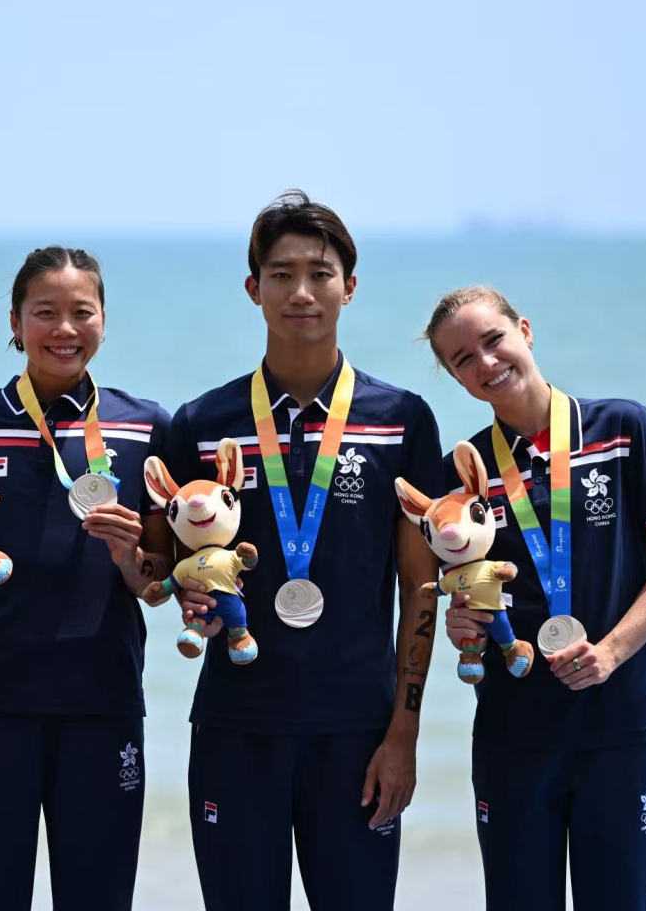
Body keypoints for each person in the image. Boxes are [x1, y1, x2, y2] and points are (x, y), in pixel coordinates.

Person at [162, 192, 443, 909]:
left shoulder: (401, 421)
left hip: (357, 734)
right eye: (281, 274)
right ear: (253, 290)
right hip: (236, 728)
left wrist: (403, 733)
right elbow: (168, 568)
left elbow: (421, 586)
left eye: (320, 273)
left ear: (350, 287)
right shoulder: (202, 422)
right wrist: (160, 577)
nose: (301, 292)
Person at [0, 246, 173, 910]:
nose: (64, 328)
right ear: (16, 322)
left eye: (81, 312)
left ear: (104, 321)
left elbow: (161, 585)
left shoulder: (147, 426)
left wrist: (129, 561)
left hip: (103, 702)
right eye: (44, 312)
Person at [425, 286, 646, 911]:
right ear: (455, 378)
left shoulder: (623, 428)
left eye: (493, 340)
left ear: (525, 330)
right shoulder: (459, 474)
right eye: (463, 359)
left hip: (619, 728)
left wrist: (611, 652)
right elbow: (463, 591)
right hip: (512, 733)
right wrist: (460, 623)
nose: (486, 363)